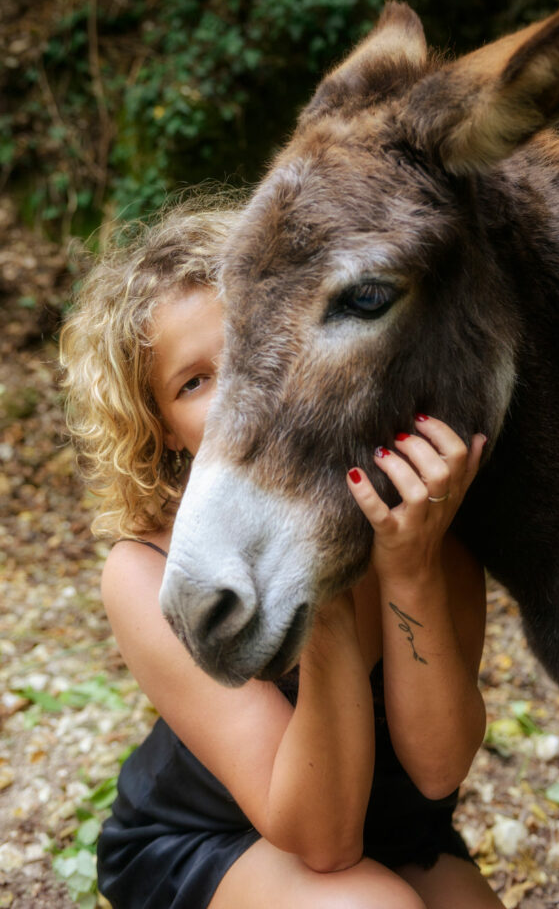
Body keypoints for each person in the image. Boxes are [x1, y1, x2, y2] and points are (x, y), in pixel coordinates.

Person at [60, 204, 505, 909]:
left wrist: (410, 566)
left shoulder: (421, 507)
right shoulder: (144, 569)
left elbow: (438, 770)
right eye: (193, 382)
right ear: (165, 430)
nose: (236, 390)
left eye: (245, 349)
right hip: (215, 840)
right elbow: (324, 846)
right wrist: (315, 574)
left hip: (389, 824)